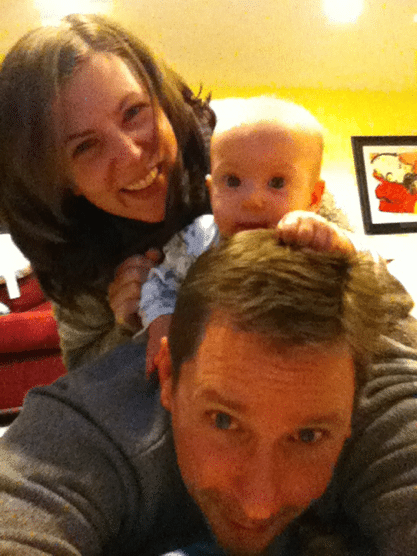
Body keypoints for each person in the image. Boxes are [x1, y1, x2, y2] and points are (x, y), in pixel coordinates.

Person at [0, 228, 416, 556]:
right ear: (167, 376)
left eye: (308, 436)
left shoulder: (380, 399)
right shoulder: (84, 429)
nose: (258, 504)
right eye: (223, 421)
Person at [0, 12, 215, 370]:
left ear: (161, 100)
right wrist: (127, 328)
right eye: (85, 146)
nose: (131, 155)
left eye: (133, 112)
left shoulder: (242, 153)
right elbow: (82, 365)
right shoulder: (70, 247)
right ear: (58, 180)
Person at [117, 96, 354, 373]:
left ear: (313, 197)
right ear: (211, 191)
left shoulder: (312, 241)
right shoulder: (199, 239)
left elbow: (368, 284)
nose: (252, 200)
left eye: (277, 183)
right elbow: (160, 284)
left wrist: (340, 247)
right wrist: (161, 323)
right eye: (232, 181)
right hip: (210, 365)